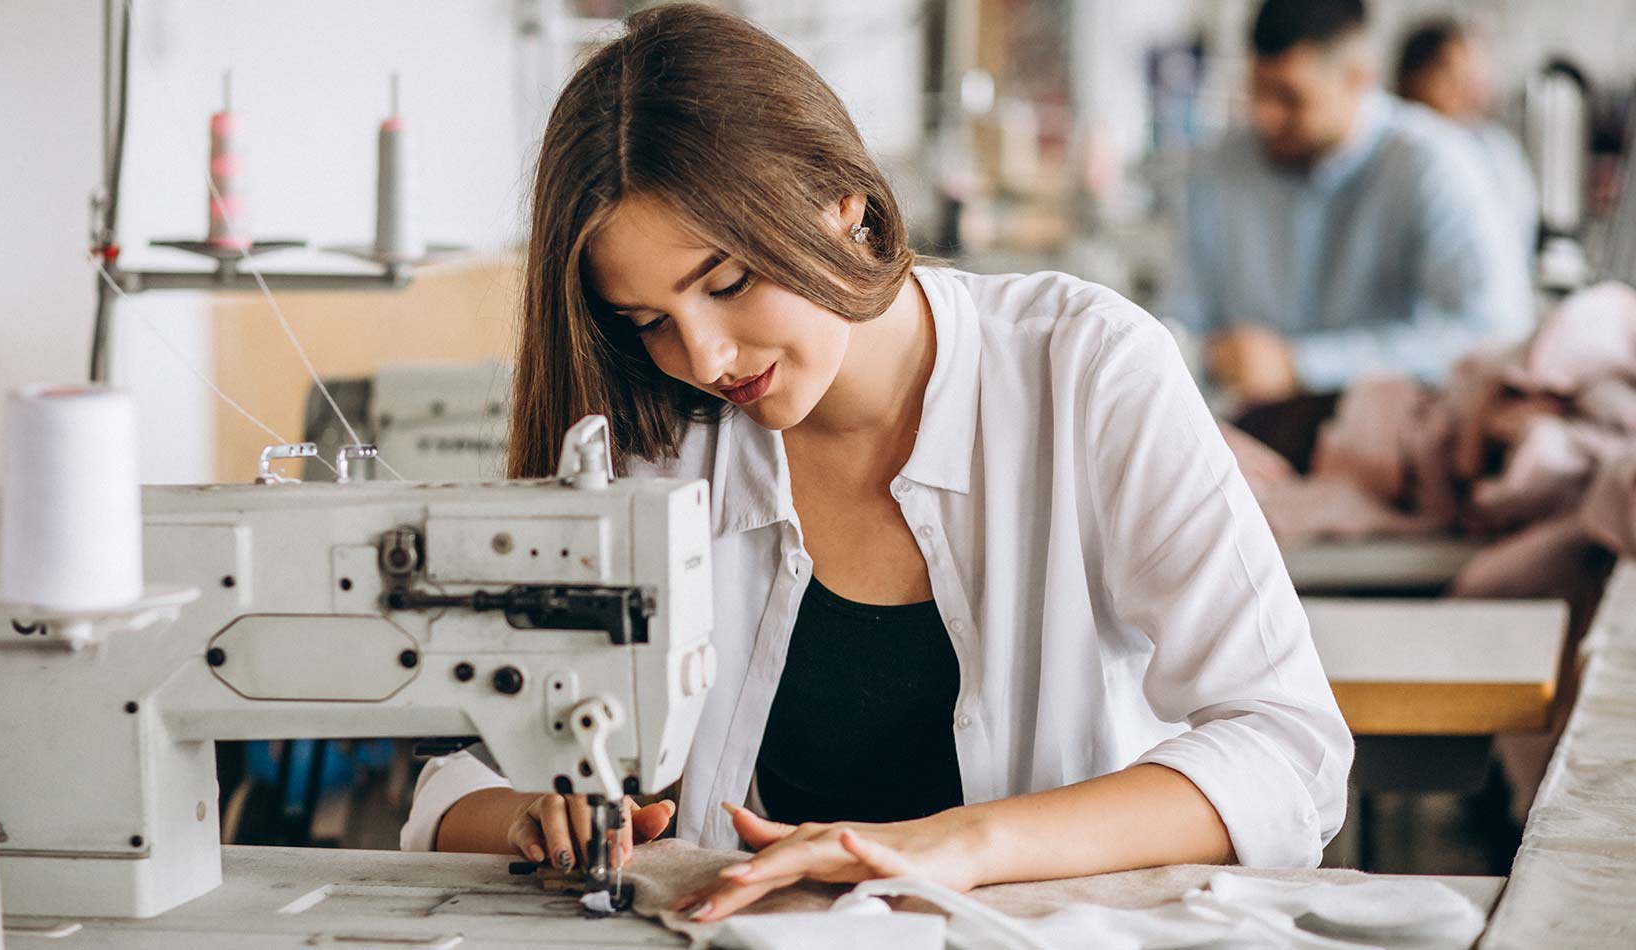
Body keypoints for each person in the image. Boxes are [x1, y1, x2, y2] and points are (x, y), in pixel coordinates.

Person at [402, 3, 1351, 922]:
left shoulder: (1085, 370)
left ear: (842, 202)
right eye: (649, 322)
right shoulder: (662, 431)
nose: (704, 358)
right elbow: (464, 772)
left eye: (729, 283)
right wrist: (534, 814)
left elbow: (1288, 754)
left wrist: (962, 845)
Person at [1173, 0, 1530, 406]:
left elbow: (1491, 334)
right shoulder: (1221, 166)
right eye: (1258, 91)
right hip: (1244, 430)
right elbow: (1181, 322)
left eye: (1290, 98)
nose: (1265, 116)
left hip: (1389, 440)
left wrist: (1301, 366)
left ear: (1358, 79)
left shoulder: (1434, 164)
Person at [1396, 18, 1539, 257]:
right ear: (1417, 77)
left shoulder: (1497, 149)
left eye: (1471, 78)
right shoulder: (1392, 149)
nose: (1468, 90)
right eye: (1452, 75)